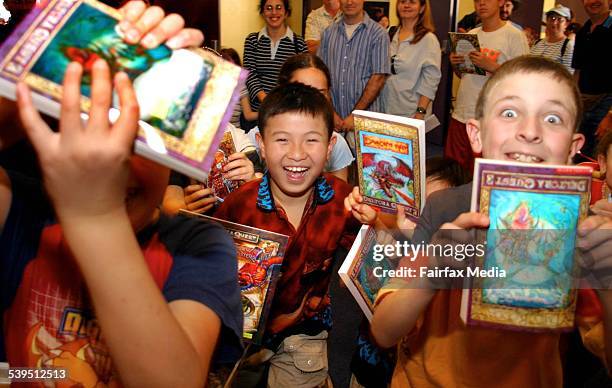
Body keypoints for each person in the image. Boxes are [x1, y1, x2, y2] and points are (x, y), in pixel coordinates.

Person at [0, 2, 243, 386]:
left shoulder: (200, 246)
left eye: (139, 141)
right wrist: (23, 87)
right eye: (97, 130)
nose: (115, 161)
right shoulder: (23, 210)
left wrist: (94, 216)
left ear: (173, 159)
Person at [369, 56, 612, 387]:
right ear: (476, 134)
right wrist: (433, 268)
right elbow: (384, 330)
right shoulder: (445, 209)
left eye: (552, 117)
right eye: (510, 113)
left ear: (572, 147)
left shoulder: (578, 232)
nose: (530, 131)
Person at [214, 83, 361, 387]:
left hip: (304, 335)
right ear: (261, 144)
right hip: (240, 337)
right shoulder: (240, 206)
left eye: (311, 140)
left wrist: (382, 222)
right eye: (282, 140)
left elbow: (378, 253)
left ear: (331, 146)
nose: (297, 154)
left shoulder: (342, 202)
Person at [344, 156, 469, 388]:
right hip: (372, 359)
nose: (424, 218)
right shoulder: (404, 237)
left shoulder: (456, 262)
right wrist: (374, 223)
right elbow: (390, 251)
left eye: (436, 210)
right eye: (420, 206)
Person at [446, 0, 528, 171]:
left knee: (482, 177)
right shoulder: (472, 34)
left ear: (500, 3)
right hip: (462, 113)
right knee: (455, 173)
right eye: (477, 0)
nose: (481, 3)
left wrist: (492, 66)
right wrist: (456, 64)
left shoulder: (513, 35)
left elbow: (524, 79)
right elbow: (463, 75)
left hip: (491, 119)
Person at [248, 53, 355, 181]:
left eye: (320, 94)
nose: (310, 101)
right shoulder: (253, 141)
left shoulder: (337, 143)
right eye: (300, 92)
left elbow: (339, 193)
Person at [318, 0, 390, 138]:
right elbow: (320, 76)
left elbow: (378, 77)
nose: (349, 2)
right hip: (334, 122)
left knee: (368, 159)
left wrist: (355, 115)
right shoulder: (328, 33)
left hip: (366, 121)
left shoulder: (378, 34)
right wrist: (331, 113)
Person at [243, 0, 308, 127]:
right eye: (269, 8)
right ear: (262, 12)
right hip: (257, 114)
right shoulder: (252, 40)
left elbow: (301, 79)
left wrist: (278, 104)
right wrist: (265, 99)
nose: (274, 12)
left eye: (279, 8)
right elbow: (249, 73)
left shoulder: (298, 43)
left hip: (287, 113)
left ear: (286, 12)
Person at [383, 0, 441, 120]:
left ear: (421, 8)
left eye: (412, 2)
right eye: (403, 1)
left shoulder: (429, 39)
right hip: (385, 111)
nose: (406, 5)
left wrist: (420, 112)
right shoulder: (389, 33)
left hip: (412, 115)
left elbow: (430, 81)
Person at [572, 0, 612, 158]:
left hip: (606, 105)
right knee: (579, 156)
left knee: (600, 158)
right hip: (583, 105)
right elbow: (577, 71)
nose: (593, 1)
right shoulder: (583, 32)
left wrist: (610, 114)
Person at [219, 47, 258, 130]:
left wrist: (268, 112)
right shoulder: (212, 85)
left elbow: (248, 115)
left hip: (235, 133)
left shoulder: (240, 86)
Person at [530, 5, 574, 74]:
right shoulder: (537, 43)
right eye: (552, 18)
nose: (555, 23)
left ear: (566, 24)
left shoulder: (568, 45)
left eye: (559, 20)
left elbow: (568, 75)